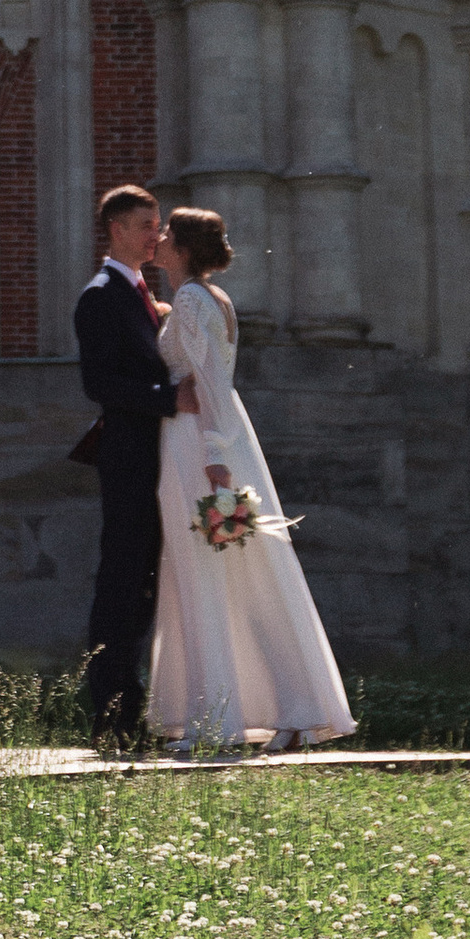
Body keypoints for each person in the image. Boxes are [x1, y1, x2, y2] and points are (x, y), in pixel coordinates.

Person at [147, 207, 356, 755]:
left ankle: (215, 719)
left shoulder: (194, 300)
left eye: (168, 232)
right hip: (213, 436)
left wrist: (215, 460)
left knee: (207, 572)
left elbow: (209, 379)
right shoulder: (203, 299)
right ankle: (288, 710)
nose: (159, 237)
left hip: (199, 442)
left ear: (186, 247)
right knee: (237, 572)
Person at [72, 183, 180, 745]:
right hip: (129, 461)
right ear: (118, 230)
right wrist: (169, 399)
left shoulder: (141, 292)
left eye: (159, 225)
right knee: (121, 584)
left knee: (144, 586)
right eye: (147, 225)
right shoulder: (100, 296)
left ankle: (135, 710)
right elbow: (99, 383)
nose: (157, 236)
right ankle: (111, 716)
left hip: (157, 459)